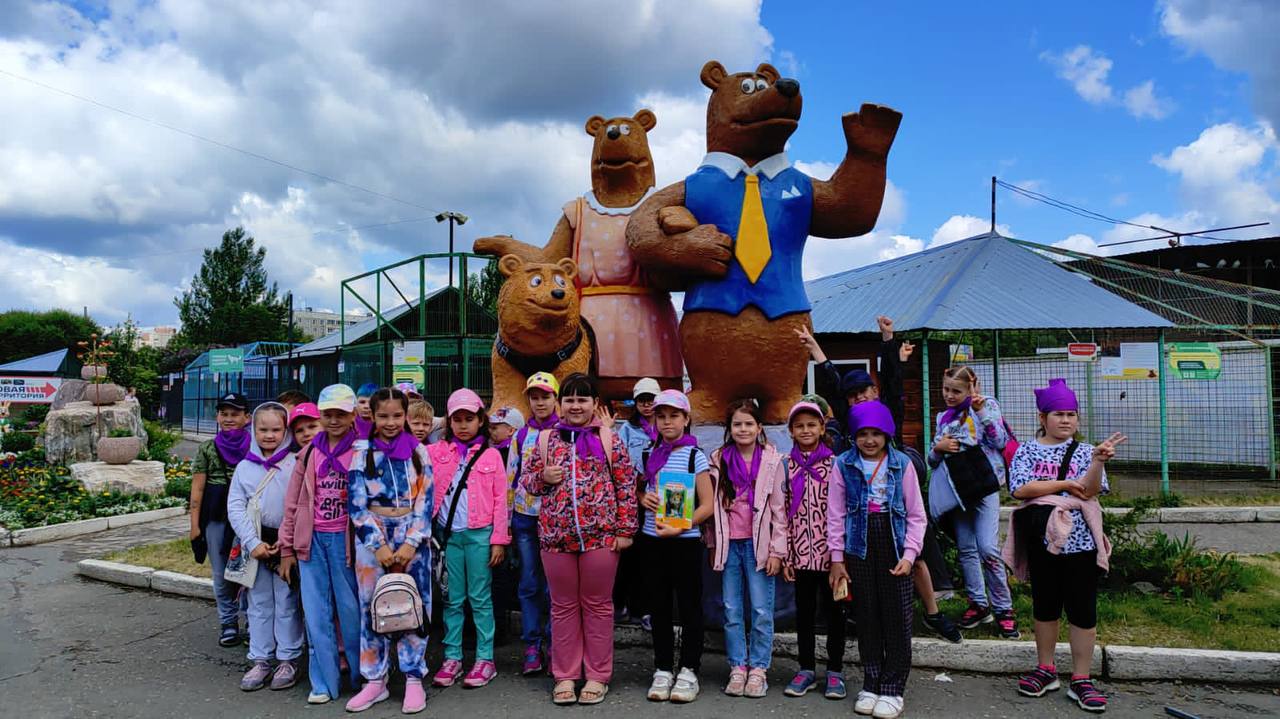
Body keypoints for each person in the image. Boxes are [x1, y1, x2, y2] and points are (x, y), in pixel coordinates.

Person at [797, 323, 960, 644]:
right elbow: (832, 379)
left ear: (873, 391)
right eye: (853, 395)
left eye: (864, 392)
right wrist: (815, 349)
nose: (859, 398)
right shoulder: (849, 419)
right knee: (863, 559)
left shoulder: (888, 412)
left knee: (920, 557)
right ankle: (862, 614)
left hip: (900, 496)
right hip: (862, 501)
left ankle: (932, 612)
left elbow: (895, 382)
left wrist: (888, 339)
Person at [1005, 379, 1124, 714]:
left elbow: (1089, 491)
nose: (1066, 420)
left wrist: (1098, 461)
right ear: (1043, 417)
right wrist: (1064, 485)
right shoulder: (1026, 450)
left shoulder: (1087, 452)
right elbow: (1021, 488)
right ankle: (1046, 668)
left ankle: (1082, 678)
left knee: (1083, 609)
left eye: (1072, 414)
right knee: (1045, 605)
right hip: (1041, 540)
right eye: (1058, 413)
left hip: (1082, 543)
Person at [522, 373, 637, 706]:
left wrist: (625, 530)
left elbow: (626, 484)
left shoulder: (609, 439)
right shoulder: (546, 439)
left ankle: (598, 675)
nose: (575, 406)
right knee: (562, 607)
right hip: (555, 538)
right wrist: (542, 477)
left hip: (601, 538)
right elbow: (527, 483)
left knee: (598, 607)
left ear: (594, 404)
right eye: (569, 399)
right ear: (560, 404)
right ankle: (566, 675)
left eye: (582, 399)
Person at [828, 401, 926, 719]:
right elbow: (835, 514)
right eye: (862, 434)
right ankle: (871, 681)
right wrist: (837, 558)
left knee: (896, 617)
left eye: (876, 434)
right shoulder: (843, 464)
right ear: (853, 436)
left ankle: (893, 687)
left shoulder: (902, 464)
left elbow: (916, 514)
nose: (869, 440)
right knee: (867, 615)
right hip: (858, 545)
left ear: (887, 434)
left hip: (894, 544)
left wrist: (910, 555)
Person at [345, 387, 434, 714]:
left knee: (413, 606)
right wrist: (378, 545)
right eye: (384, 415)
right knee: (373, 607)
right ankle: (375, 680)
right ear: (373, 416)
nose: (391, 422)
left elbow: (426, 500)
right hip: (373, 542)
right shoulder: (362, 453)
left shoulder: (419, 452)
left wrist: (412, 542)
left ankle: (413, 677)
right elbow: (356, 505)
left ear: (406, 416)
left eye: (398, 415)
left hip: (413, 541)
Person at [278, 384, 362, 705]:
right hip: (310, 542)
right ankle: (323, 682)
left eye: (341, 413)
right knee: (316, 614)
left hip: (347, 543)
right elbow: (292, 503)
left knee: (351, 611)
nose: (335, 420)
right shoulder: (309, 452)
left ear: (353, 415)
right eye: (328, 414)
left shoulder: (363, 450)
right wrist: (287, 548)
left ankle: (359, 676)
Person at [928, 366, 1018, 638]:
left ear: (971, 388)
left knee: (988, 548)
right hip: (958, 489)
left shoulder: (987, 405)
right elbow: (933, 461)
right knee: (966, 548)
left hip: (984, 485)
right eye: (946, 389)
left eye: (957, 391)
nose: (950, 396)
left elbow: (1000, 440)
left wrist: (980, 412)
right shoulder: (943, 417)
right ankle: (978, 604)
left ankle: (1004, 608)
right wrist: (937, 449)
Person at [427, 389, 509, 689]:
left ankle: (485, 659)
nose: (463, 425)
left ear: (480, 420)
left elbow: (502, 500)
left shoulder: (491, 455)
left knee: (480, 599)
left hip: (480, 535)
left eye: (469, 418)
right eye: (457, 419)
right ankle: (452, 657)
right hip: (447, 537)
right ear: (448, 422)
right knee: (452, 599)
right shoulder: (436, 452)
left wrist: (499, 539)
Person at [706, 399, 787, 699]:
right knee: (731, 609)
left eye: (748, 424)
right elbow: (713, 509)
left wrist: (778, 551)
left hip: (759, 546)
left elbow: (780, 510)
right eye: (737, 424)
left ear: (759, 428)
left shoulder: (772, 460)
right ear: (729, 429)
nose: (743, 429)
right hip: (730, 544)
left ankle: (759, 669)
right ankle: (737, 667)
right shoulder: (718, 459)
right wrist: (712, 544)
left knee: (761, 609)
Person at [638, 390, 713, 704]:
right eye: (661, 416)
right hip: (652, 540)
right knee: (659, 607)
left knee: (690, 606)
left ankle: (689, 669)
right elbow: (643, 492)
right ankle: (663, 667)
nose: (667, 422)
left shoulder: (696, 455)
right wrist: (644, 499)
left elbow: (707, 506)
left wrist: (680, 526)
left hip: (684, 543)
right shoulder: (647, 452)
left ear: (686, 419)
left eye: (674, 416)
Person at [227, 402, 303, 692]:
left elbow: (298, 505)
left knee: (287, 601)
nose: (269, 436)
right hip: (255, 542)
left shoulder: (295, 463)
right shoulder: (245, 467)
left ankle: (288, 657)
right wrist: (252, 542)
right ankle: (260, 658)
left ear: (285, 431)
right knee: (258, 603)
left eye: (276, 430)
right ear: (253, 429)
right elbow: (235, 507)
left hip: (286, 542)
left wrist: (289, 542)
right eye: (263, 429)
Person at [781, 400, 848, 700]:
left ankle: (835, 670)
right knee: (804, 614)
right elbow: (781, 512)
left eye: (811, 424)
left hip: (832, 559)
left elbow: (842, 512)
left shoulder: (837, 465)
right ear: (791, 431)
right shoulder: (785, 466)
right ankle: (806, 668)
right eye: (799, 426)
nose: (806, 430)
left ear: (822, 428)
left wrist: (840, 557)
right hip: (800, 556)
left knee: (835, 614)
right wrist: (785, 555)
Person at [189, 391, 252, 647]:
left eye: (235, 414)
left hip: (247, 518)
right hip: (215, 518)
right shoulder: (207, 448)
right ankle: (228, 622)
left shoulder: (255, 445)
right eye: (224, 414)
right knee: (221, 572)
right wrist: (194, 525)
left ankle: (251, 621)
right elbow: (197, 488)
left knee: (249, 571)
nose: (228, 418)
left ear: (247, 417)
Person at [508, 372, 560, 675]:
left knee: (555, 586)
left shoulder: (565, 432)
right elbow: (510, 478)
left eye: (545, 396)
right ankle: (531, 644)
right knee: (529, 584)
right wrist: (506, 523)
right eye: (534, 396)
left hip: (556, 519)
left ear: (555, 398)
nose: (539, 402)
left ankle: (555, 643)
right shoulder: (520, 435)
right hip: (525, 518)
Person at [615, 377, 660, 629]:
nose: (647, 405)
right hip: (632, 501)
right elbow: (620, 461)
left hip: (657, 501)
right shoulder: (627, 429)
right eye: (642, 400)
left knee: (650, 559)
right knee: (627, 557)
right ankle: (621, 606)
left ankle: (645, 610)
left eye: (651, 399)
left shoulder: (666, 428)